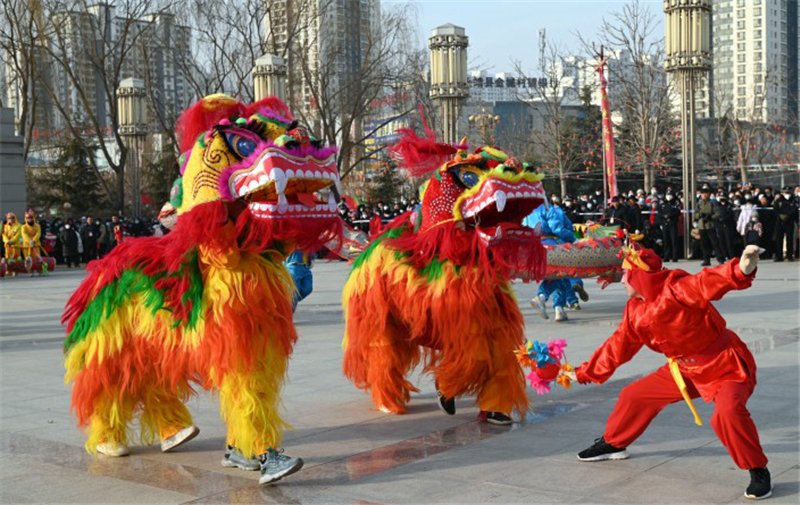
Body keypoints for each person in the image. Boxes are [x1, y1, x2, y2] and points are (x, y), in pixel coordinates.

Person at [572, 244, 772, 500]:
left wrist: (741, 269)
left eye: (625, 274)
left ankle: (757, 469)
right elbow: (617, 347)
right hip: (685, 369)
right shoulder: (634, 310)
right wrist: (582, 373)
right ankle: (614, 443)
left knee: (728, 413)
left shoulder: (676, 289)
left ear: (639, 276)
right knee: (634, 395)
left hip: (725, 365)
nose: (621, 280)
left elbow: (705, 282)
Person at [525, 200, 577, 322]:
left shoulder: (524, 210)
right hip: (551, 246)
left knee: (556, 276)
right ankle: (543, 297)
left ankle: (559, 309)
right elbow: (557, 229)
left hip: (531, 248)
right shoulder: (548, 208)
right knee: (559, 274)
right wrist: (573, 239)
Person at [695, 185, 725, 265]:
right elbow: (696, 213)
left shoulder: (712, 202)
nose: (704, 195)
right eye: (702, 193)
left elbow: (718, 213)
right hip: (702, 225)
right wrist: (699, 215)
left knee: (715, 243)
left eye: (706, 193)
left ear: (708, 194)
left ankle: (720, 259)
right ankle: (706, 259)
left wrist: (710, 217)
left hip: (710, 225)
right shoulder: (699, 203)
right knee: (704, 244)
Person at [772, 187, 797, 262]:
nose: (786, 194)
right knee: (779, 239)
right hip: (780, 222)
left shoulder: (793, 200)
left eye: (788, 192)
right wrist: (780, 216)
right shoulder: (778, 200)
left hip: (789, 222)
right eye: (785, 192)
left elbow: (794, 210)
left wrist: (787, 216)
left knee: (790, 239)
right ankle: (779, 256)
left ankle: (789, 255)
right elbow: (775, 209)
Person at [658, 192, 681, 262]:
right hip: (665, 224)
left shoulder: (675, 204)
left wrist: (670, 215)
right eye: (667, 195)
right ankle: (666, 256)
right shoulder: (663, 205)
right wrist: (663, 217)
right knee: (666, 241)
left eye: (670, 195)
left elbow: (678, 212)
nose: (668, 197)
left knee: (674, 241)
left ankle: (675, 256)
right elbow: (659, 213)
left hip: (673, 224)